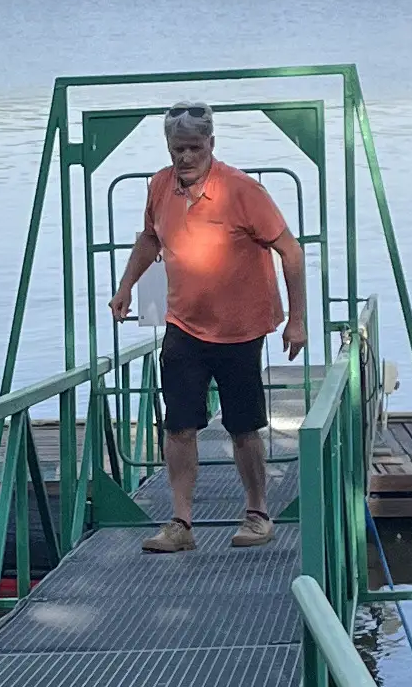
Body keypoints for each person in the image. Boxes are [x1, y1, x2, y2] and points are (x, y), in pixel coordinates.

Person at [108, 103, 311, 551]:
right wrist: (127, 287)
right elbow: (150, 238)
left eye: (194, 148)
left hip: (240, 329)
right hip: (183, 324)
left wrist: (297, 321)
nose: (184, 157)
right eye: (177, 148)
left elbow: (291, 252)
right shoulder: (160, 186)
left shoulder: (242, 191)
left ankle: (257, 513)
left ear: (211, 145)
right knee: (178, 425)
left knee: (243, 426)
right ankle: (180, 523)